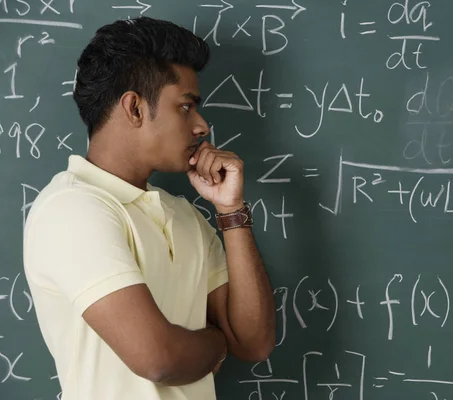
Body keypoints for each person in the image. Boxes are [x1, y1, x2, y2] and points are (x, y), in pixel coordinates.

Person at [22, 16, 276, 400]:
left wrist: (231, 210)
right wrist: (217, 345)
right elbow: (158, 359)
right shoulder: (72, 209)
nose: (202, 126)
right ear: (135, 108)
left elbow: (253, 342)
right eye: (186, 107)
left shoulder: (185, 216)